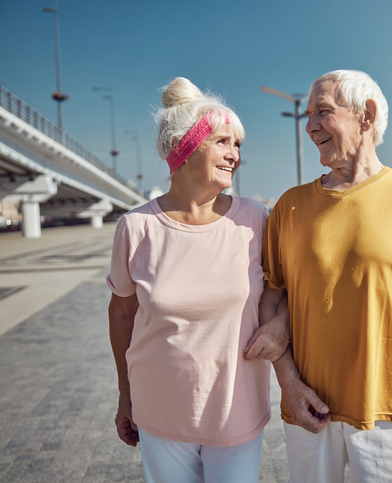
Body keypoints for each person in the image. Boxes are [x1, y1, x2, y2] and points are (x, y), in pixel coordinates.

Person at [262, 69, 392, 482]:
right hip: (308, 409)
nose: (310, 126)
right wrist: (287, 382)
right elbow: (270, 299)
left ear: (367, 115)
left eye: (323, 111)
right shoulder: (289, 206)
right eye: (307, 116)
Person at [107, 77, 288, 483]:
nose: (235, 155)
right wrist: (125, 394)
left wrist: (283, 327)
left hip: (235, 410)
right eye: (223, 142)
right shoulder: (136, 228)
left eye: (237, 144)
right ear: (183, 149)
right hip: (159, 412)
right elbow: (121, 315)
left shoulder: (254, 220)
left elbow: (284, 292)